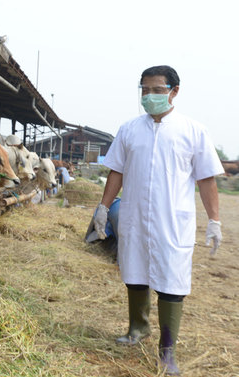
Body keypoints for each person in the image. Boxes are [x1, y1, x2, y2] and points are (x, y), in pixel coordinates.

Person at [93, 65, 224, 375]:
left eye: (156, 90)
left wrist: (214, 220)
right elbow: (116, 171)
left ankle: (167, 350)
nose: (149, 96)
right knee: (134, 272)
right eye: (144, 90)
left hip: (172, 220)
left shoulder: (193, 131)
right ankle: (137, 328)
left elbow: (206, 179)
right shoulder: (129, 129)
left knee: (171, 281)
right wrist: (103, 206)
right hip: (135, 215)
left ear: (174, 91)